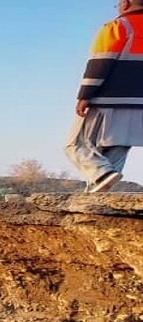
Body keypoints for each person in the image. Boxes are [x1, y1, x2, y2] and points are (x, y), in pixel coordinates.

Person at [65, 0, 143, 193]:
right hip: (138, 103)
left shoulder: (118, 26)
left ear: (125, 3)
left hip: (107, 99)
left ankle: (101, 174)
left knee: (76, 144)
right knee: (117, 147)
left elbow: (100, 61)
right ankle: (98, 195)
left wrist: (85, 94)